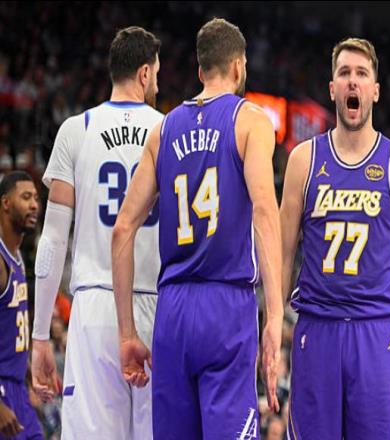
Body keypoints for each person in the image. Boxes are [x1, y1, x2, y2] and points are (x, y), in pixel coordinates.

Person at [112, 18, 283, 439]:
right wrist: (275, 314)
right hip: (226, 305)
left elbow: (123, 229)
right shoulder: (251, 121)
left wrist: (127, 332)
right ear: (239, 67)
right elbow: (264, 211)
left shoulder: (163, 129)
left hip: (172, 309)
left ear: (200, 68)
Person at [280, 37, 390, 439]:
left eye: (362, 74)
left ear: (376, 90)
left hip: (376, 334)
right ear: (332, 88)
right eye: (344, 73)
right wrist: (268, 336)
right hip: (316, 330)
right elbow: (279, 257)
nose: (353, 81)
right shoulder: (303, 160)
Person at [30, 27, 162, 439]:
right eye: (156, 75)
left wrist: (40, 334)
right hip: (158, 305)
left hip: (94, 306)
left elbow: (52, 240)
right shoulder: (170, 129)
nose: (157, 84)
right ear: (144, 73)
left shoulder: (77, 128)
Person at [0, 171, 41, 439]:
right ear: (5, 203)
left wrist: (28, 371)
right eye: (26, 197)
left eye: (36, 198)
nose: (34, 205)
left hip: (18, 391)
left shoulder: (17, 257)